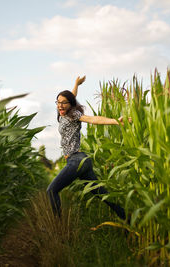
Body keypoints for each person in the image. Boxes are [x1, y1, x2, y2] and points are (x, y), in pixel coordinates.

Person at [46, 75, 127, 220]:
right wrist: (76, 84)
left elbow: (92, 119)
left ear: (70, 104)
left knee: (52, 190)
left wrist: (116, 121)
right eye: (58, 102)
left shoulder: (73, 114)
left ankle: (58, 226)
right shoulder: (63, 113)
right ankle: (127, 217)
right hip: (82, 162)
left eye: (64, 103)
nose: (60, 105)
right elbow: (72, 96)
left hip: (76, 161)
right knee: (102, 195)